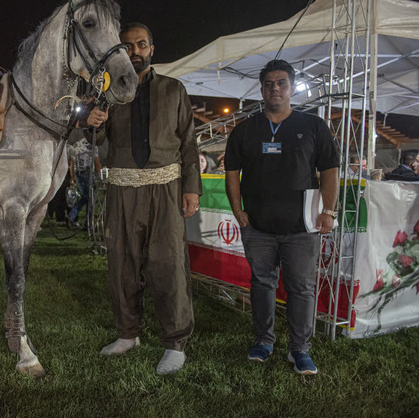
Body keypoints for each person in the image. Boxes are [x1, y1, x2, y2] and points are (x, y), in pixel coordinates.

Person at [86, 22, 201, 375]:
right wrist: (93, 121)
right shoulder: (107, 91)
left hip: (165, 190)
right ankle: (128, 333)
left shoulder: (173, 89)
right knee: (122, 264)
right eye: (128, 46)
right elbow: (96, 139)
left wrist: (191, 187)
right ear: (120, 51)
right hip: (121, 190)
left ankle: (175, 343)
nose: (135, 51)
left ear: (152, 48)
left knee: (168, 266)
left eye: (141, 45)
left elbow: (188, 144)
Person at [224, 59, 339, 375]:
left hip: (302, 226)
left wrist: (328, 212)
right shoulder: (246, 129)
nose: (275, 88)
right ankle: (263, 341)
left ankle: (300, 349)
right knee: (262, 283)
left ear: (292, 87)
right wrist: (237, 210)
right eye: (269, 84)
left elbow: (330, 171)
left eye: (281, 83)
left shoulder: (312, 126)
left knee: (301, 288)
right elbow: (232, 171)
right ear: (261, 89)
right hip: (257, 226)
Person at [68, 137, 101, 228]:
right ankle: (88, 224)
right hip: (88, 174)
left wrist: (72, 177)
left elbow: (72, 163)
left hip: (78, 174)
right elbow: (97, 163)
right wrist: (101, 177)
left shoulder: (77, 144)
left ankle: (73, 216)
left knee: (86, 197)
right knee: (90, 198)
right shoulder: (93, 146)